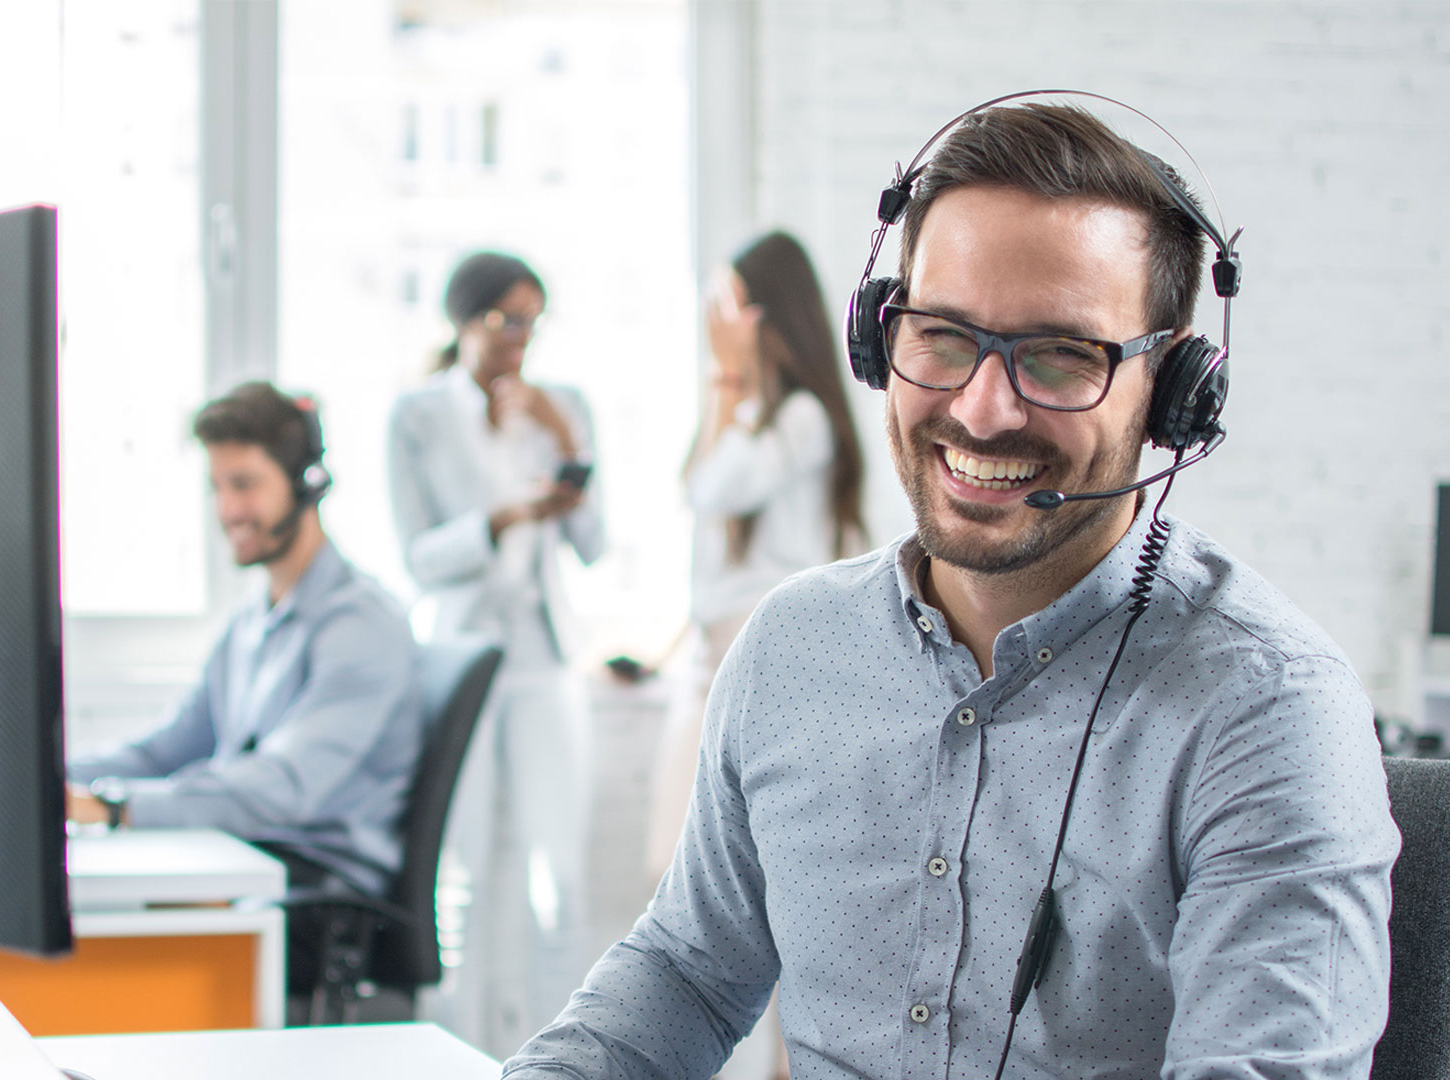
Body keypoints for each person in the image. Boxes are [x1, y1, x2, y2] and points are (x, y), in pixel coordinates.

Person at [506, 99, 1399, 1080]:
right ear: (879, 338)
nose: (982, 408)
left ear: (1173, 392)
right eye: (943, 336)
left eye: (1063, 355)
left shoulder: (1269, 709)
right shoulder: (793, 649)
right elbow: (688, 970)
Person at [642, 230, 869, 1080]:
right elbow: (696, 491)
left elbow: (717, 487)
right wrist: (724, 385)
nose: (720, 325)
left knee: (761, 892)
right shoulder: (750, 415)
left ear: (768, 316)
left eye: (732, 307)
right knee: (689, 888)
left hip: (767, 676)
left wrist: (730, 377)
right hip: (706, 670)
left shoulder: (803, 420)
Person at [66, 381, 420, 913]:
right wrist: (54, 781)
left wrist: (112, 808)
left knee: (125, 918)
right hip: (249, 860)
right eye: (217, 486)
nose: (228, 509)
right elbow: (165, 751)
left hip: (319, 894)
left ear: (308, 483)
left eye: (245, 484)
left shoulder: (361, 625)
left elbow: (282, 787)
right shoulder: (252, 618)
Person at [386, 251, 605, 1058]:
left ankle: (572, 1062)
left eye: (531, 322)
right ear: (462, 321)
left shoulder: (564, 406)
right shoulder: (417, 415)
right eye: (504, 321)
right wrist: (504, 518)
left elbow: (592, 540)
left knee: (559, 879)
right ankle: (458, 1056)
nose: (520, 339)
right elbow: (418, 556)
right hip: (461, 658)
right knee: (463, 875)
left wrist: (561, 439)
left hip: (543, 658)